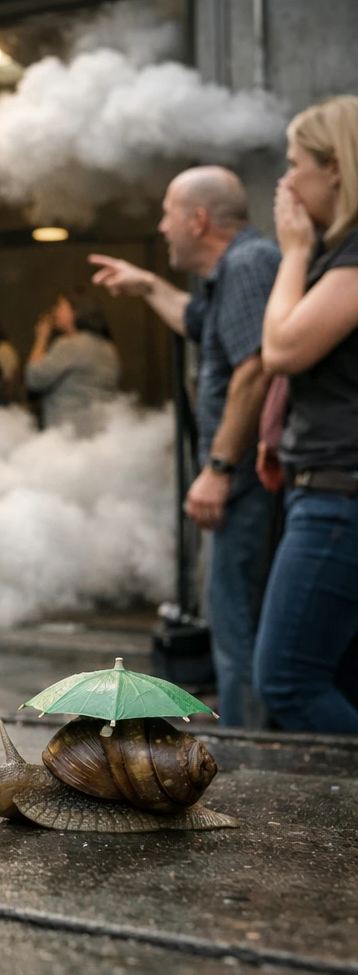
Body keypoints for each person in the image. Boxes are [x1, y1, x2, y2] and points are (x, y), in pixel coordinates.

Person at [89, 166, 281, 728]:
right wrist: (148, 285)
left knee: (238, 627)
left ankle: (253, 753)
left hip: (246, 482)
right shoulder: (233, 272)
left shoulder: (248, 264)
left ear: (198, 220)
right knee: (233, 623)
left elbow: (255, 370)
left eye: (167, 213)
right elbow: (197, 322)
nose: (161, 226)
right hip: (243, 480)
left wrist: (218, 468)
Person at [254, 96, 358, 734]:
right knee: (338, 679)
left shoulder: (351, 255)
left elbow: (282, 349)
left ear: (336, 167)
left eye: (296, 165)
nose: (287, 182)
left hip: (339, 497)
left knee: (287, 681)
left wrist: (293, 252)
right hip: (331, 490)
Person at [25, 290, 120, 435]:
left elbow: (34, 378)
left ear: (76, 312)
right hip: (100, 433)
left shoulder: (70, 344)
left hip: (69, 433)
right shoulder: (109, 348)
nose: (54, 311)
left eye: (60, 306)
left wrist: (41, 338)